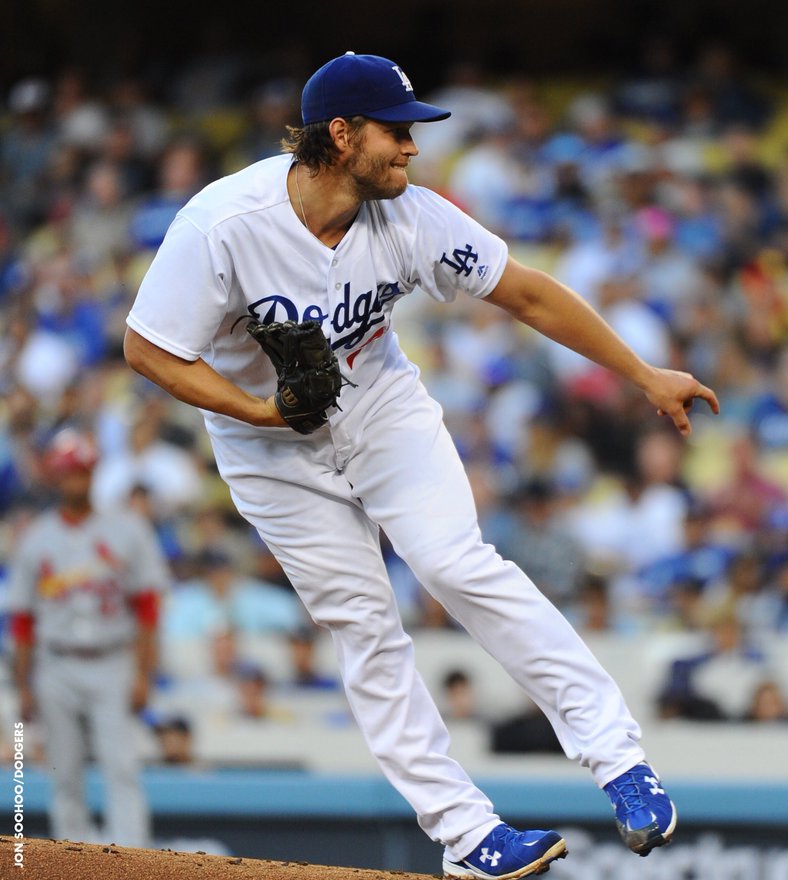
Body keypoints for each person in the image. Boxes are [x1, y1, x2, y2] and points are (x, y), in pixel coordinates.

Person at [122, 52, 716, 878]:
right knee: (365, 629)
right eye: (396, 131)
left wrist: (643, 374)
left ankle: (619, 760)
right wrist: (257, 409)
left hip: (382, 410)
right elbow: (148, 350)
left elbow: (529, 294)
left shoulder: (413, 218)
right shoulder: (223, 224)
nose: (411, 146)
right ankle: (468, 835)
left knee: (455, 563)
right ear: (340, 135)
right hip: (269, 449)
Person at [7, 429, 168, 847]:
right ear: (54, 477)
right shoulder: (35, 537)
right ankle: (70, 863)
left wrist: (144, 674)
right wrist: (23, 685)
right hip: (55, 663)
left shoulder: (127, 529)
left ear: (93, 472)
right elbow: (22, 620)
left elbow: (148, 606)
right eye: (66, 472)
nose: (73, 480)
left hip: (112, 658)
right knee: (63, 773)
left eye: (80, 471)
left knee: (122, 769)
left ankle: (132, 864)